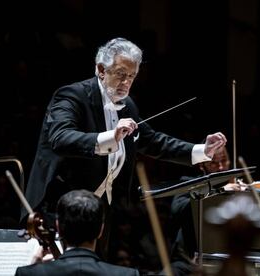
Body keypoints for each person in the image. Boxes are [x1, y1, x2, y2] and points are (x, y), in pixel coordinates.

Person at [22, 37, 227, 259]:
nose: (126, 82)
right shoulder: (71, 96)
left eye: (131, 76)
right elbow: (60, 138)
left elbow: (153, 141)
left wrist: (202, 151)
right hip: (59, 208)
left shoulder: (127, 106)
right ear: (101, 69)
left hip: (99, 213)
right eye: (120, 73)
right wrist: (112, 136)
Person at [15, 189, 140, 275]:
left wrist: (34, 268)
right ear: (101, 230)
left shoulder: (27, 273)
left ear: (58, 227)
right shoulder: (127, 274)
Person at [169, 144, 240, 275]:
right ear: (202, 165)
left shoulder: (237, 186)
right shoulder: (189, 184)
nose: (220, 167)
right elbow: (177, 210)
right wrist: (219, 192)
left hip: (224, 262)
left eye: (224, 161)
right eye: (213, 163)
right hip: (189, 261)